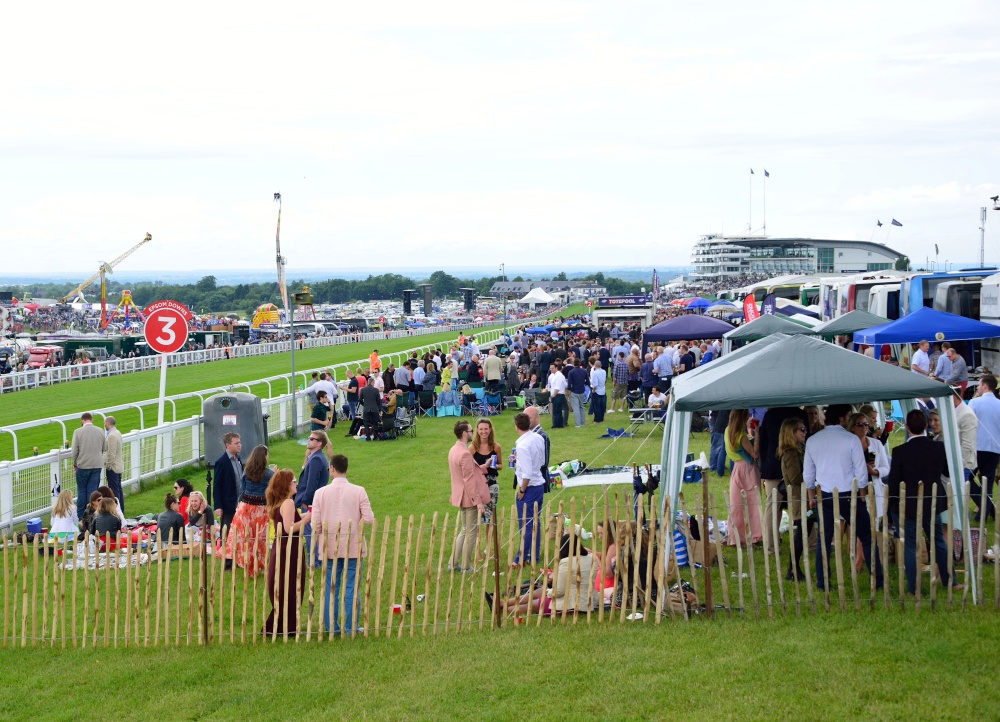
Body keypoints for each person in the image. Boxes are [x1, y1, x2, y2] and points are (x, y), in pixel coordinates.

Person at [804, 404, 883, 592]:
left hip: (825, 495)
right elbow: (860, 472)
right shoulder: (851, 439)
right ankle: (878, 580)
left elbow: (808, 474)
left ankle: (823, 582)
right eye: (848, 416)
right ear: (841, 418)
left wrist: (811, 497)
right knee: (866, 536)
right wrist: (863, 495)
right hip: (849, 494)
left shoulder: (813, 440)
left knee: (824, 539)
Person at [885, 410, 958, 595]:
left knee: (910, 546)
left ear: (907, 428)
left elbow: (893, 482)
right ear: (926, 425)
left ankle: (914, 588)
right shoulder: (939, 448)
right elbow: (948, 472)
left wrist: (891, 507)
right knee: (938, 541)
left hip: (908, 504)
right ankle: (950, 580)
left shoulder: (899, 452)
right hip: (932, 502)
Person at [312, 455, 374, 636]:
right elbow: (369, 518)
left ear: (332, 468)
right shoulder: (359, 491)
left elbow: (316, 524)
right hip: (353, 546)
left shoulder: (320, 493)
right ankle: (350, 626)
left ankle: (332, 626)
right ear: (346, 469)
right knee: (351, 587)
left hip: (329, 548)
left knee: (331, 587)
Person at [264, 469, 311, 638]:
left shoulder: (280, 503)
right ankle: (287, 624)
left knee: (286, 584)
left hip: (282, 547)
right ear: (285, 485)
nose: (296, 484)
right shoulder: (288, 503)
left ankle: (286, 622)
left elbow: (292, 519)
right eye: (293, 481)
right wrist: (308, 518)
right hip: (289, 548)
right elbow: (289, 528)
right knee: (291, 584)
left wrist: (306, 515)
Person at [758, 407, 809, 555]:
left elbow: (763, 443)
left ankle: (771, 547)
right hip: (789, 466)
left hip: (773, 465)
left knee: (773, 507)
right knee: (802, 506)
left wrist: (764, 465)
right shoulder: (800, 414)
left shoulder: (770, 414)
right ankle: (810, 543)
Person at [224, 444, 274, 577]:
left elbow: (242, 490)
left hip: (245, 507)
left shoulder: (247, 470)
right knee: (260, 538)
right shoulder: (269, 473)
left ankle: (247, 564)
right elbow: (272, 492)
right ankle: (260, 566)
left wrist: (239, 506)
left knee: (246, 537)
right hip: (261, 509)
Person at [448, 421, 490, 573]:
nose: (474, 433)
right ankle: (466, 566)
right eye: (472, 430)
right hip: (469, 497)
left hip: (460, 495)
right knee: (471, 532)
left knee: (464, 530)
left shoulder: (454, 449)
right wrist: (478, 502)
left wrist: (483, 467)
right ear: (465, 433)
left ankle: (453, 563)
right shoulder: (465, 453)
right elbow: (469, 480)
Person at [777, 418, 813, 581]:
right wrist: (813, 474)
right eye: (801, 429)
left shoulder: (800, 449)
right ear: (791, 433)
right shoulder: (790, 453)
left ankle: (793, 567)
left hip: (804, 496)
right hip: (800, 498)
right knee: (802, 533)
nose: (805, 432)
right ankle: (793, 568)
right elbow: (794, 477)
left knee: (805, 531)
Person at [724, 409, 762, 547]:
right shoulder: (741, 435)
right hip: (748, 468)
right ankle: (755, 536)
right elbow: (754, 453)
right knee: (753, 502)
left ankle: (735, 537)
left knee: (736, 503)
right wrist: (757, 432)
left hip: (736, 468)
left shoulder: (727, 431)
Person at [513, 412, 546, 564]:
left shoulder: (522, 445)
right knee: (535, 522)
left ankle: (523, 556)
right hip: (539, 484)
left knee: (526, 524)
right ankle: (534, 555)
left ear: (516, 427)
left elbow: (526, 474)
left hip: (530, 487)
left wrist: (522, 490)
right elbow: (541, 459)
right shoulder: (538, 437)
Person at [968, 375, 1000, 521]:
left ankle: (984, 507)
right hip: (994, 448)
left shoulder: (975, 402)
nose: (978, 387)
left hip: (977, 446)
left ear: (985, 386)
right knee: (987, 481)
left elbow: (967, 422)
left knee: (966, 478)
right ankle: (986, 512)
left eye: (979, 384)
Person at [295, 430, 330, 559]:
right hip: (313, 499)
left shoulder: (316, 459)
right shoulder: (316, 457)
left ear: (319, 443)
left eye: (312, 439)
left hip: (310, 500)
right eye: (309, 438)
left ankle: (314, 560)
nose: (309, 440)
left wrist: (305, 499)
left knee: (310, 531)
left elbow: (312, 483)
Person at [72, 412, 106, 518]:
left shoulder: (78, 432)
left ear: (82, 421)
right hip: (97, 464)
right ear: (92, 420)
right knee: (92, 490)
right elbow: (105, 448)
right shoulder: (100, 430)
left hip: (83, 465)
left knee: (82, 490)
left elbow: (74, 451)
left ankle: (81, 516)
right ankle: (92, 514)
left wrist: (75, 462)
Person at [470, 418, 502, 525]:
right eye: (481, 429)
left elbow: (501, 465)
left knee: (491, 514)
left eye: (486, 429)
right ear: (477, 431)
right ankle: (478, 539)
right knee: (478, 514)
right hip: (478, 483)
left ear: (490, 430)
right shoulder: (473, 448)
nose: (484, 431)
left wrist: (495, 466)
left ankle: (490, 539)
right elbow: (469, 468)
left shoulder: (496, 447)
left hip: (492, 483)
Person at [212, 432, 243, 539]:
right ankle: (226, 552)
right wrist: (218, 506)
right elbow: (217, 485)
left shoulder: (238, 459)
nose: (239, 445)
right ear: (227, 445)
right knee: (227, 532)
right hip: (229, 504)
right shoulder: (221, 462)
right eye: (236, 443)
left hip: (240, 502)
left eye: (239, 442)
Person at [524, 405, 552, 493]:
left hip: (537, 482)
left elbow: (544, 462)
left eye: (530, 418)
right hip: (527, 481)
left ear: (537, 418)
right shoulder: (527, 434)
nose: (526, 421)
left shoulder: (541, 436)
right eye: (525, 418)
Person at [103, 415, 125, 512]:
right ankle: (121, 510)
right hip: (118, 466)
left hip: (113, 467)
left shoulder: (112, 435)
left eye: (105, 424)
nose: (104, 425)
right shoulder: (117, 432)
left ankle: (117, 511)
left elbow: (111, 453)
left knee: (114, 491)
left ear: (108, 423)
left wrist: (108, 466)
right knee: (118, 489)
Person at [546, 362, 568, 428]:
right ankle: (559, 424)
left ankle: (557, 425)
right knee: (557, 410)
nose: (551, 369)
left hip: (558, 395)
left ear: (556, 368)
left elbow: (557, 388)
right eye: (550, 368)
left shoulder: (559, 375)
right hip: (557, 394)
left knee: (557, 411)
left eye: (552, 368)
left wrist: (553, 396)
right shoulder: (554, 375)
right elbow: (565, 385)